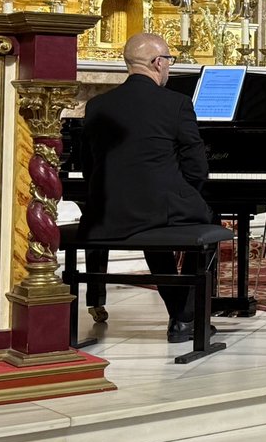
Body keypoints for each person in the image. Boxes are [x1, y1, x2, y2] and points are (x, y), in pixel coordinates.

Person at [78, 32, 218, 343]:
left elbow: (90, 167)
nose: (169, 66)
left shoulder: (96, 105)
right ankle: (186, 316)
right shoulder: (177, 104)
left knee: (155, 223)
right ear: (157, 63)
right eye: (169, 60)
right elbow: (197, 168)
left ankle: (182, 317)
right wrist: (185, 194)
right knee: (206, 219)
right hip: (156, 208)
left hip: (108, 210)